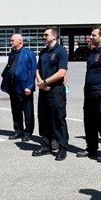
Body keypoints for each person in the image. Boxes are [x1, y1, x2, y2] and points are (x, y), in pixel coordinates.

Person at [77, 25, 101, 163]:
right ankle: (91, 148)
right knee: (89, 121)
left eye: (94, 35)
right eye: (91, 35)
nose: (91, 37)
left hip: (100, 92)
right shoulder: (92, 53)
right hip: (89, 92)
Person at [33, 26, 69, 161]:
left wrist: (46, 82)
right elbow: (37, 70)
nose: (43, 37)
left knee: (58, 119)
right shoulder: (43, 53)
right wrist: (41, 82)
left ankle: (62, 147)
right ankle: (46, 145)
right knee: (43, 118)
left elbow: (62, 72)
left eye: (46, 34)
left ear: (54, 36)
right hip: (44, 90)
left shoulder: (61, 52)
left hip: (56, 91)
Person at [0, 33, 36, 142]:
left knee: (27, 111)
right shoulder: (12, 54)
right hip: (13, 87)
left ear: (20, 41)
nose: (10, 42)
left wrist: (29, 86)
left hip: (24, 87)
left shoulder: (28, 53)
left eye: (12, 41)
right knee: (15, 110)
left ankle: (28, 132)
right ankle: (18, 130)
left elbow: (33, 71)